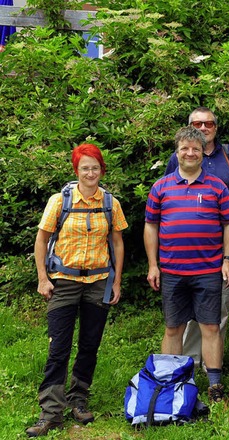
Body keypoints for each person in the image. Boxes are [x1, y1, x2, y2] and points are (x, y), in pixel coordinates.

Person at [28, 144, 127, 437]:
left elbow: (118, 243)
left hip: (98, 283)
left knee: (89, 345)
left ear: (101, 170)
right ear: (76, 170)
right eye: (85, 167)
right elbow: (41, 239)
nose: (90, 173)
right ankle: (51, 411)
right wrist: (42, 279)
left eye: (95, 167)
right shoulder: (59, 201)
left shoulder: (111, 203)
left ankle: (79, 399)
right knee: (58, 348)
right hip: (64, 281)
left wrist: (117, 282)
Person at [144, 126, 229, 404]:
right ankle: (170, 382)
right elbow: (151, 226)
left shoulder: (217, 186)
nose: (190, 153)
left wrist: (227, 259)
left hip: (208, 270)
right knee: (173, 327)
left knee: (210, 327)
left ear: (201, 153)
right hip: (172, 271)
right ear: (177, 152)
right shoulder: (160, 187)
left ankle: (215, 386)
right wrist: (153, 265)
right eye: (185, 148)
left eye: (195, 149)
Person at [165, 107, 229, 367]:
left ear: (216, 127)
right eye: (197, 124)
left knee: (220, 303)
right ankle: (190, 361)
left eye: (209, 124)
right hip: (188, 248)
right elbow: (169, 192)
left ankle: (212, 363)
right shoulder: (179, 156)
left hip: (226, 237)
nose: (204, 128)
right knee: (189, 307)